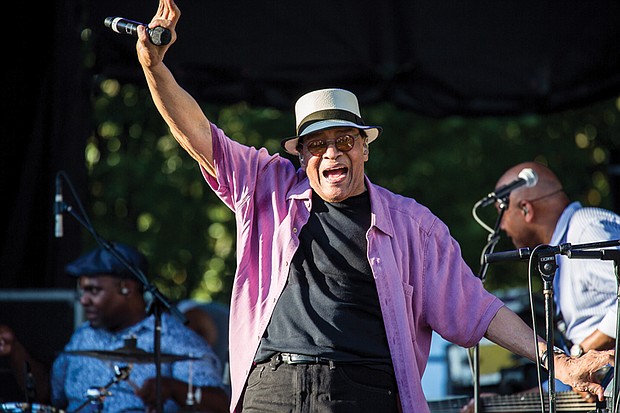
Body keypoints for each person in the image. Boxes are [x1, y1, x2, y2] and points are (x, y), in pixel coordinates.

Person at [134, 2, 614, 411]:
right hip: (272, 390)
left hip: (362, 392)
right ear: (300, 156)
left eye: (344, 140)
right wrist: (155, 69)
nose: (332, 153)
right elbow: (200, 136)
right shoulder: (266, 187)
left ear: (366, 147)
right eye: (316, 145)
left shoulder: (412, 225)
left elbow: (480, 310)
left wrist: (564, 364)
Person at [2, 243, 229, 413]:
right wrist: (14, 350)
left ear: (126, 289)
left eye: (94, 291)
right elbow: (46, 396)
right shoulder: (82, 337)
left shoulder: (174, 339)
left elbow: (221, 405)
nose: (84, 300)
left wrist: (172, 387)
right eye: (83, 291)